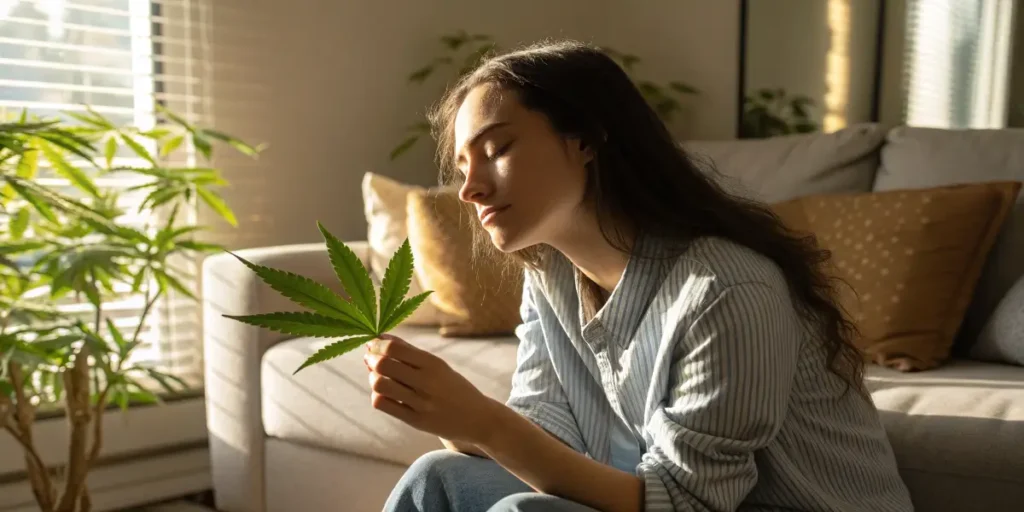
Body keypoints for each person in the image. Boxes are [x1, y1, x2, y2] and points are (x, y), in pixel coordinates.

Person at [362, 39, 914, 512]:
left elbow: (685, 502)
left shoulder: (725, 289)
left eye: (496, 149)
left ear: (584, 140)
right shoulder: (551, 277)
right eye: (463, 167)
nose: (470, 188)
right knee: (436, 478)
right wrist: (446, 413)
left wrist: (483, 422)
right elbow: (550, 438)